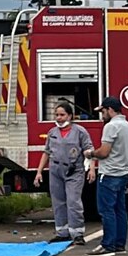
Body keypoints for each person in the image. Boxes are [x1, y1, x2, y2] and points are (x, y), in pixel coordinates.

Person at [33, 102, 96, 245]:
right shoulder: (52, 133)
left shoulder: (80, 132)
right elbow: (47, 152)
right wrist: (39, 172)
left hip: (74, 170)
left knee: (73, 201)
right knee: (58, 202)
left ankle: (77, 233)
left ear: (70, 116)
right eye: (56, 115)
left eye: (62, 115)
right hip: (55, 170)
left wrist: (92, 169)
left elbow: (89, 150)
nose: (59, 118)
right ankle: (62, 232)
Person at [84, 96, 128, 256]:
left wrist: (90, 153)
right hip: (123, 173)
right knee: (120, 210)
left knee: (107, 210)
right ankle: (120, 244)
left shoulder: (111, 127)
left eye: (103, 111)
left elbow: (104, 152)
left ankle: (108, 245)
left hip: (109, 174)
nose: (102, 115)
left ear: (110, 110)